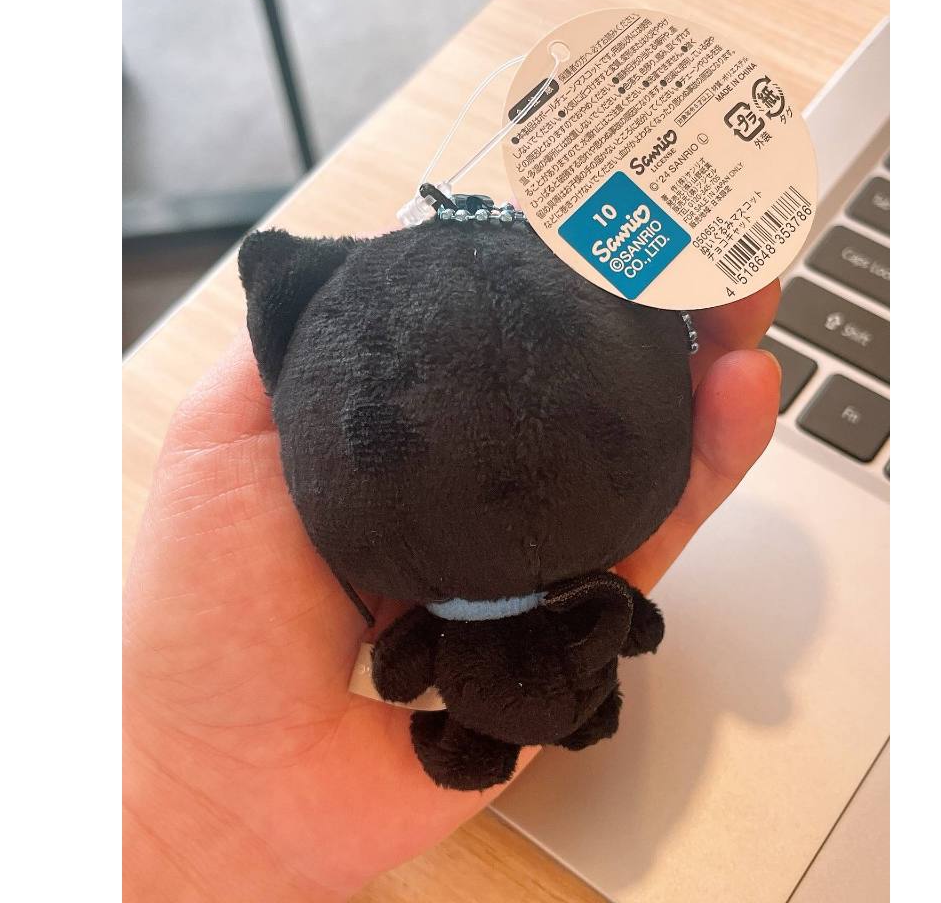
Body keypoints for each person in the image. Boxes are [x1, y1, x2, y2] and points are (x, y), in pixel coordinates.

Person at [122, 283, 782, 902]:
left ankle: (578, 719)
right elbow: (402, 664)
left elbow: (401, 669)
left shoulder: (560, 592)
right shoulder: (476, 596)